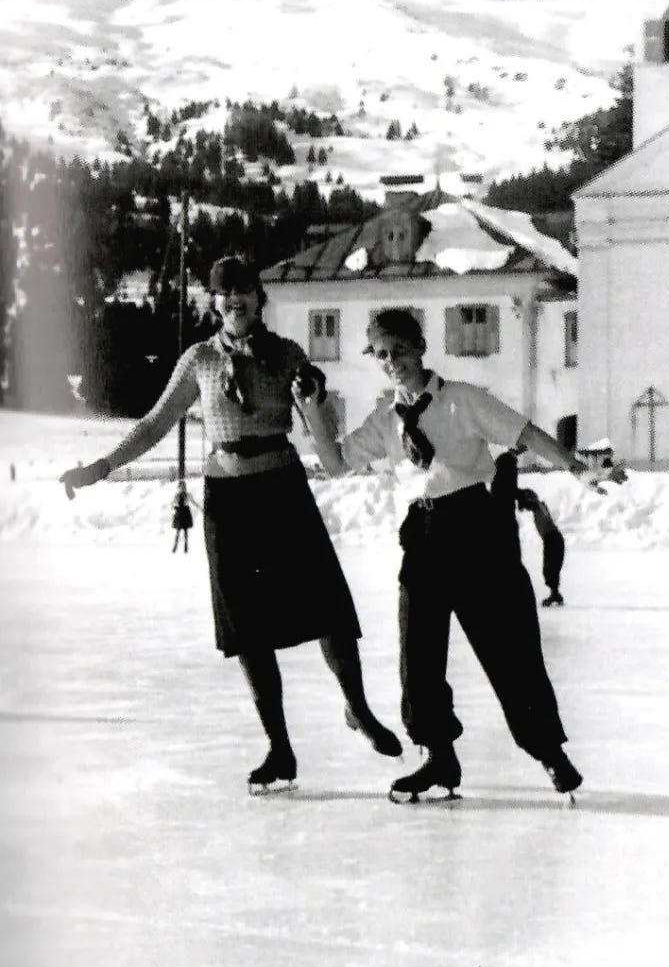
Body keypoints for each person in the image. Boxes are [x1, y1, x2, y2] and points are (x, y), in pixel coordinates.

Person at [60, 256, 402, 793]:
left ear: (258, 298)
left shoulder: (287, 354)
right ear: (213, 303)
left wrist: (312, 400)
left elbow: (321, 431)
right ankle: (280, 749)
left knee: (327, 607)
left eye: (243, 291)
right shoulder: (198, 361)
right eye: (224, 294)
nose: (234, 301)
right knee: (248, 630)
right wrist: (102, 467)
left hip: (283, 490)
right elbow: (153, 425)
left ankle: (357, 708)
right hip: (228, 500)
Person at [294, 308, 585, 802]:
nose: (393, 362)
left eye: (400, 351)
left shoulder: (464, 400)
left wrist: (578, 466)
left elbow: (526, 436)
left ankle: (549, 752)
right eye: (382, 355)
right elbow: (336, 464)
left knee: (508, 649)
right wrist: (312, 411)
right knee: (419, 657)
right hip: (422, 537)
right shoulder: (386, 420)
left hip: (475, 529)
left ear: (420, 348)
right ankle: (438, 757)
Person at [492, 450, 566, 607]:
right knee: (550, 569)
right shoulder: (538, 505)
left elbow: (524, 500)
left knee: (549, 569)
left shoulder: (538, 506)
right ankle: (555, 594)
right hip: (552, 538)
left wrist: (524, 497)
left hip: (552, 538)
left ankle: (555, 594)